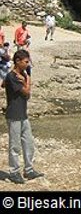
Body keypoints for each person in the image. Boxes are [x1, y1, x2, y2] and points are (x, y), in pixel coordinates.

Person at [4, 50, 44, 184]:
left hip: (23, 114)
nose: (28, 65)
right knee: (15, 145)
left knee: (28, 143)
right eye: (26, 62)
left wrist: (25, 79)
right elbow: (26, 92)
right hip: (14, 115)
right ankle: (14, 171)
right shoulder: (13, 77)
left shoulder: (20, 75)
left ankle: (29, 169)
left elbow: (26, 95)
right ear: (18, 61)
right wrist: (28, 80)